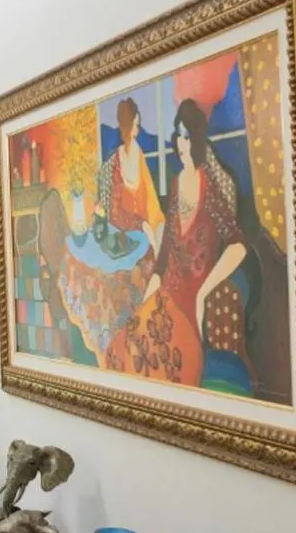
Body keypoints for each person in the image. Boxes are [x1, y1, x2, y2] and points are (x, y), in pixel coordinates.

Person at [106, 98, 249, 389]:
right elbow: (164, 256)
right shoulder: (175, 185)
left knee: (167, 365)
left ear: (196, 139)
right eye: (178, 135)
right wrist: (146, 300)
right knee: (120, 350)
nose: (181, 143)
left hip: (191, 299)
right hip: (167, 292)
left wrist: (204, 292)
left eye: (186, 136)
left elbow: (238, 245)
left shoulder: (209, 187)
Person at [95, 98, 164, 255]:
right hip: (123, 237)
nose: (137, 130)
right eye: (136, 125)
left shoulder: (138, 154)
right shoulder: (114, 163)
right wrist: (141, 225)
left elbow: (151, 201)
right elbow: (114, 214)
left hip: (145, 233)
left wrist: (155, 228)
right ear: (127, 125)